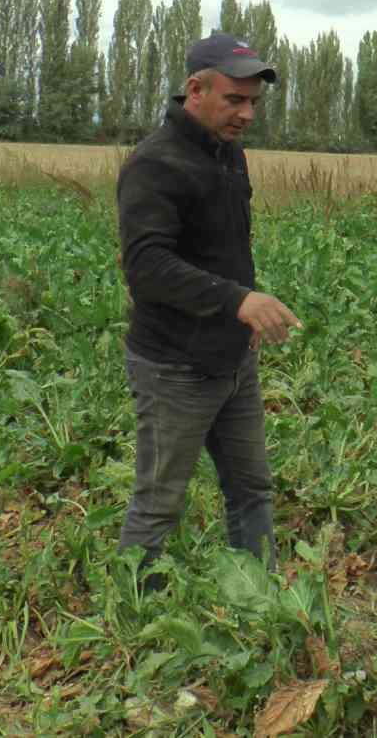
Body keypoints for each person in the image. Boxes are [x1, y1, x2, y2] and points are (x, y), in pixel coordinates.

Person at [115, 33, 302, 583]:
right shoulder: (155, 164)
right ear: (196, 90)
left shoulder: (229, 154)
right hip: (175, 367)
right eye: (234, 100)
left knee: (251, 488)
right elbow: (147, 265)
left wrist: (242, 309)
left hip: (233, 359)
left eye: (253, 103)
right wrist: (238, 300)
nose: (247, 114)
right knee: (158, 503)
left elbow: (222, 250)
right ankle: (134, 610)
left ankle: (260, 598)